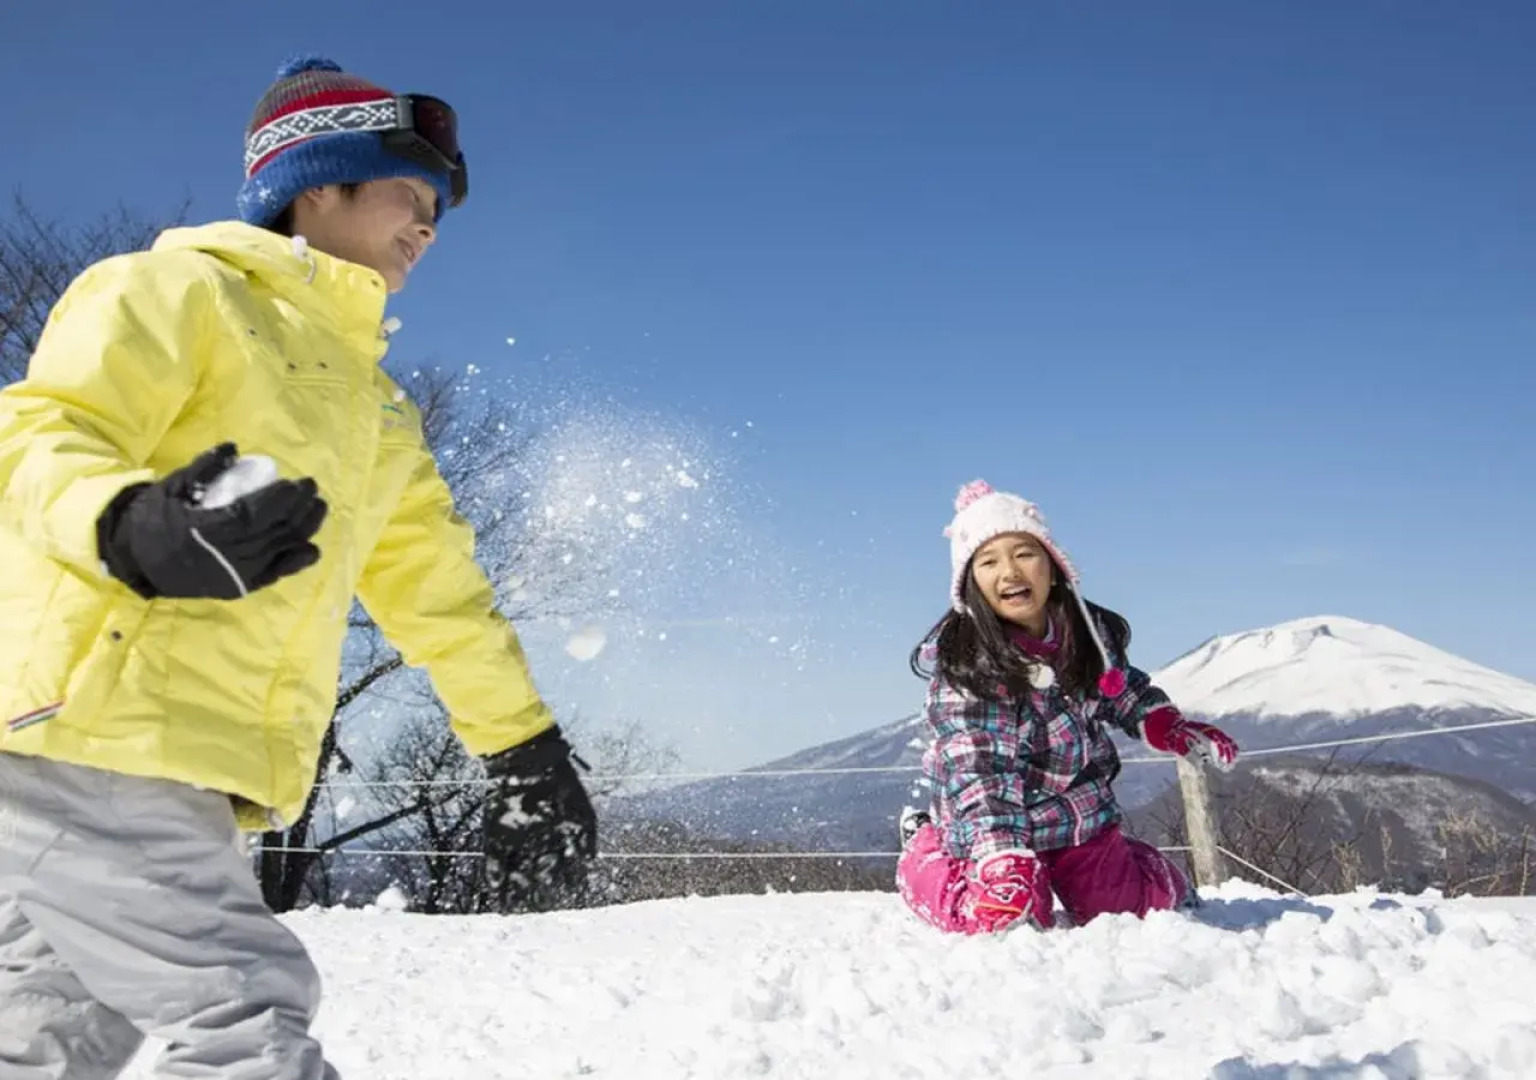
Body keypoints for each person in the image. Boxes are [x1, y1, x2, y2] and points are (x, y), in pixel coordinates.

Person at [0, 56, 595, 1079]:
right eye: (410, 193)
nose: (429, 226)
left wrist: (524, 752)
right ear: (317, 185)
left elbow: (441, 598)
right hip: (94, 731)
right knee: (248, 1027)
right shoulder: (175, 290)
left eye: (439, 211)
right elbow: (40, 433)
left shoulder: (376, 408)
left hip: (170, 763)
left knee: (49, 1040)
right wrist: (131, 524)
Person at [896, 480, 1239, 934]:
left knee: (1124, 911)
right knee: (1007, 920)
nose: (1009, 572)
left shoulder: (1086, 634)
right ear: (971, 584)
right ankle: (924, 852)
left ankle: (1143, 874)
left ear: (1054, 566)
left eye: (1024, 553)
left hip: (1075, 812)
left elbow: (1118, 687)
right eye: (989, 561)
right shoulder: (969, 669)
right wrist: (1001, 860)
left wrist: (1160, 722)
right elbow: (980, 771)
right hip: (991, 821)